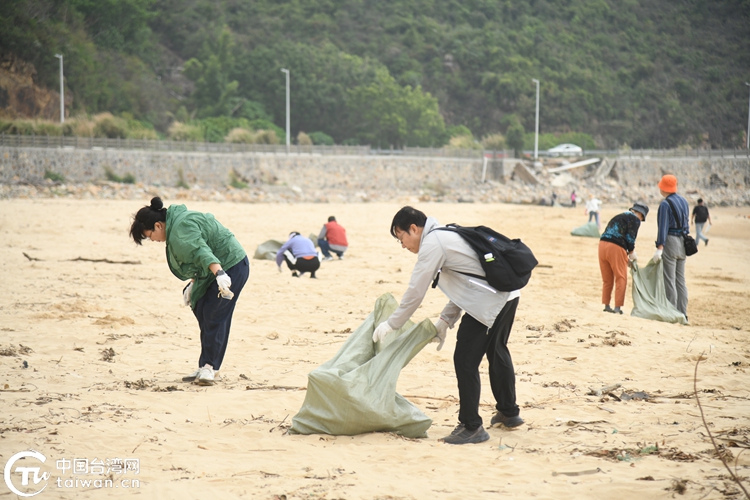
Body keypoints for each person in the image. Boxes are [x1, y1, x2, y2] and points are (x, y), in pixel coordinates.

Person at [372, 206, 523, 445]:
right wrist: (445, 320)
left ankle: (471, 426)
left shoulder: (433, 243)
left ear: (414, 228)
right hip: (508, 294)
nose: (402, 245)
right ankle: (509, 412)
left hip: (490, 301)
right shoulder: (445, 234)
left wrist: (392, 323)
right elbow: (469, 283)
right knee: (497, 350)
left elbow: (416, 291)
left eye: (401, 238)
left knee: (465, 359)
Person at [129, 197, 249, 386]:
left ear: (158, 225)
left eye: (149, 235)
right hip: (214, 269)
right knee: (200, 306)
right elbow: (195, 257)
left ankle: (210, 367)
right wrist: (194, 284)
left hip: (231, 265)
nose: (152, 239)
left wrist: (220, 274)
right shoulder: (176, 225)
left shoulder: (180, 228)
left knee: (214, 314)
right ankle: (206, 366)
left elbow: (201, 251)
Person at [598, 203, 649, 314]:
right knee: (621, 277)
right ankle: (617, 308)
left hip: (602, 245)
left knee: (607, 279)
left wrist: (625, 257)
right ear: (640, 214)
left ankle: (606, 305)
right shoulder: (635, 219)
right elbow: (630, 238)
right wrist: (631, 252)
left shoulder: (619, 216)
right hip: (616, 247)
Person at [652, 174, 690, 319]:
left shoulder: (665, 204)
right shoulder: (684, 201)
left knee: (669, 280)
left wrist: (659, 248)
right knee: (681, 280)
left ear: (663, 188)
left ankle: (671, 313)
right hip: (683, 242)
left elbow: (663, 227)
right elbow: (686, 224)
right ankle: (682, 313)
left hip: (671, 241)